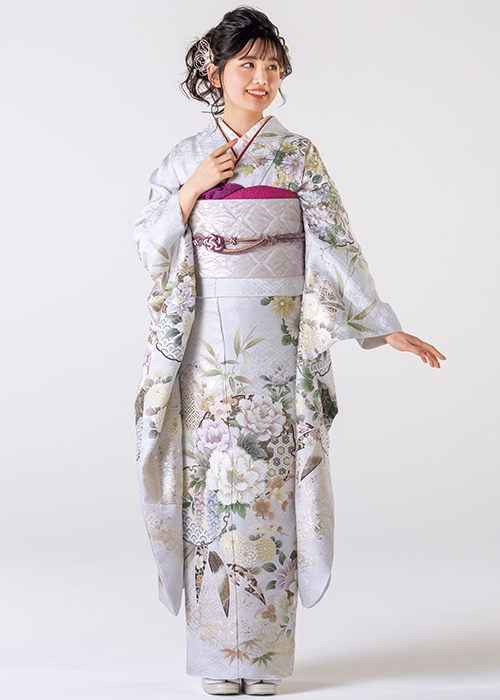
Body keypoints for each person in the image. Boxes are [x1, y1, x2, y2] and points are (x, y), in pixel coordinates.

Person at [132, 6, 446, 696]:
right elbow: (147, 249)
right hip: (206, 349)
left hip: (277, 346)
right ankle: (218, 657)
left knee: (269, 486)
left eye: (272, 66)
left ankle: (265, 659)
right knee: (211, 487)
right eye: (247, 63)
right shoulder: (186, 157)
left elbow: (335, 244)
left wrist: (379, 324)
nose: (262, 78)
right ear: (214, 70)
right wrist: (191, 191)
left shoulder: (297, 154)